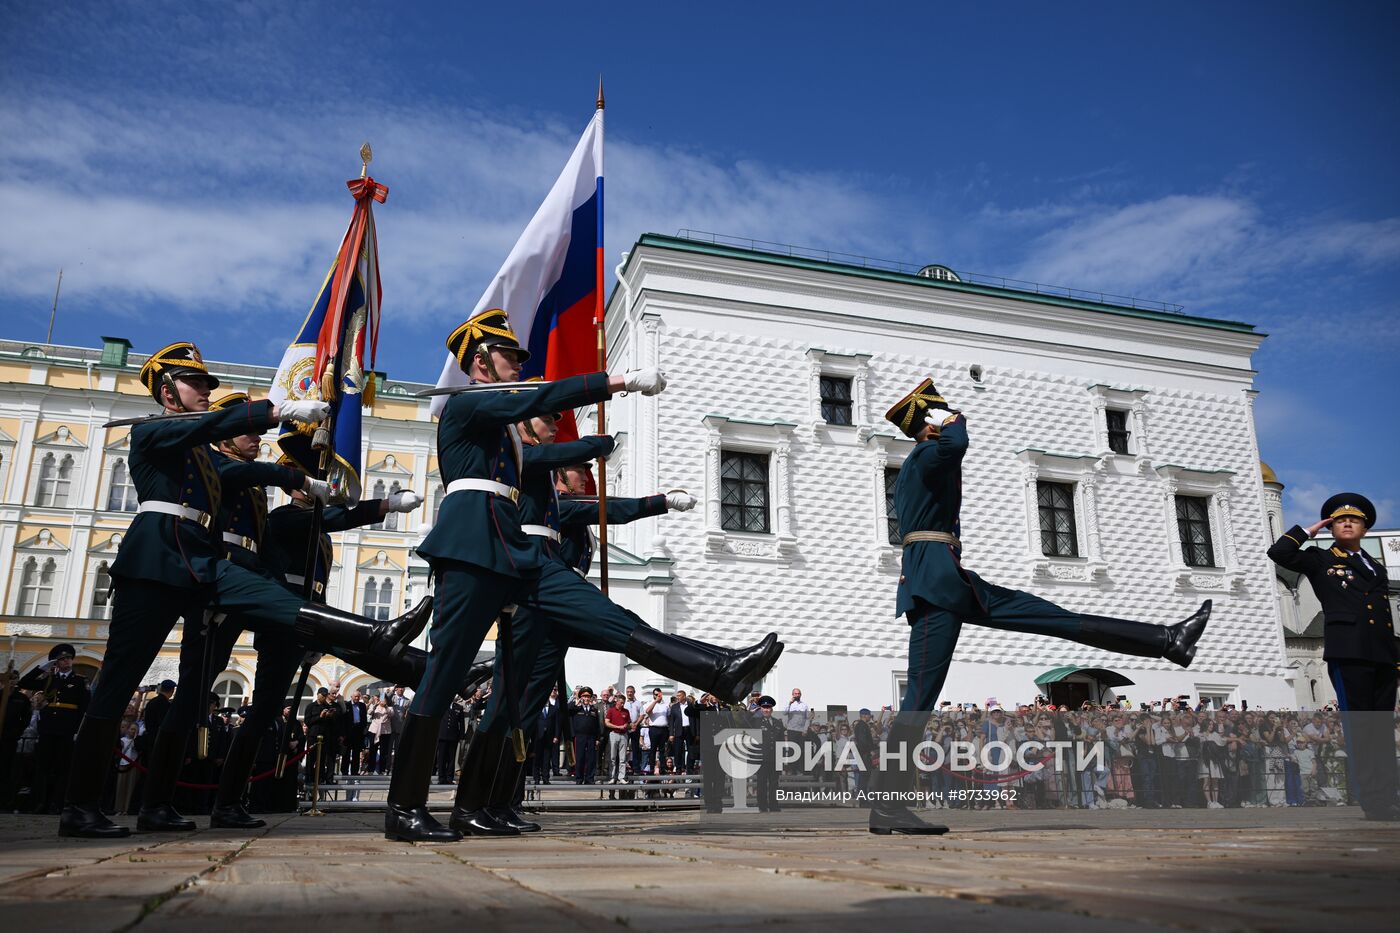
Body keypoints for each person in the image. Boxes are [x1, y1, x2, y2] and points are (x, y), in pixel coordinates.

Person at [58, 344, 430, 838]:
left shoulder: (204, 455)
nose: (205, 393)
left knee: (280, 608)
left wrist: (318, 477)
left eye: (210, 388)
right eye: (197, 385)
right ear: (166, 391)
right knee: (118, 685)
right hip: (154, 562)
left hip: (205, 564)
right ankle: (80, 808)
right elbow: (236, 461)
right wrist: (281, 423)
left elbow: (241, 468)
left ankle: (376, 635)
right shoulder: (153, 430)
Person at [868, 379, 1212, 835]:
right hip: (937, 585)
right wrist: (953, 421)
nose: (951, 414)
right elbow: (957, 444)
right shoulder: (929, 455)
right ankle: (887, 805)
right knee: (918, 700)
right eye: (941, 411)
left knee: (1055, 620)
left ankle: (1167, 640)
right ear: (928, 424)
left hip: (951, 581)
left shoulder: (920, 463)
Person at [384, 310, 669, 842]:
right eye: (509, 354)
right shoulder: (467, 402)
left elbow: (544, 448)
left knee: (509, 696)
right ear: (478, 362)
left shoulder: (504, 435)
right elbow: (538, 415)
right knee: (443, 677)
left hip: (505, 553)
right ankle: (404, 807)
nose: (518, 362)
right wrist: (617, 382)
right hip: (469, 548)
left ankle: (478, 805)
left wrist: (592, 450)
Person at [1267, 493, 1397, 821]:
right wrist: (1310, 530)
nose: (1348, 523)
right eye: (1340, 520)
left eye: (1354, 520)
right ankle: (1373, 800)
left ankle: (1389, 794)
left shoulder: (1374, 567)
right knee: (1361, 728)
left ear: (1365, 529)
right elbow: (1278, 552)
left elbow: (1383, 616)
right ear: (1331, 527)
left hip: (1382, 656)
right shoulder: (1320, 559)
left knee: (1381, 730)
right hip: (1349, 652)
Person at [17, 644, 89, 814]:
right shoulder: (48, 679)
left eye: (68, 658)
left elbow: (84, 706)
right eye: (62, 659)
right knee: (43, 766)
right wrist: (41, 668)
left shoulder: (79, 680)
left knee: (62, 767)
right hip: (48, 728)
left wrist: (77, 730)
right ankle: (40, 802)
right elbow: (23, 682)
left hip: (66, 729)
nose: (66, 661)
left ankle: (58, 803)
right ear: (56, 662)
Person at [753, 696, 784, 812]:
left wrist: (782, 758)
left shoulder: (777, 723)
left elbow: (781, 741)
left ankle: (774, 805)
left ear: (772, 709)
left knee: (774, 783)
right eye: (764, 707)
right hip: (761, 758)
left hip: (775, 758)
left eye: (768, 708)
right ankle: (762, 805)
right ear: (760, 709)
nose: (766, 710)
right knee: (761, 783)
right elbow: (742, 721)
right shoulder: (755, 722)